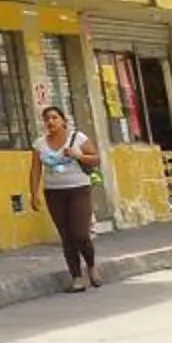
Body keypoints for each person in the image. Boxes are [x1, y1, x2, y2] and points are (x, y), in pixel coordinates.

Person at [30, 104, 101, 291]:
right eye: (47, 119)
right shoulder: (40, 144)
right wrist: (34, 193)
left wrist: (79, 155)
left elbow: (96, 159)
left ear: (63, 121)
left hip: (79, 189)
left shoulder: (78, 138)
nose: (50, 122)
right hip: (54, 192)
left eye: (54, 118)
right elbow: (36, 169)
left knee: (80, 234)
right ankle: (76, 277)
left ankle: (92, 266)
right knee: (67, 237)